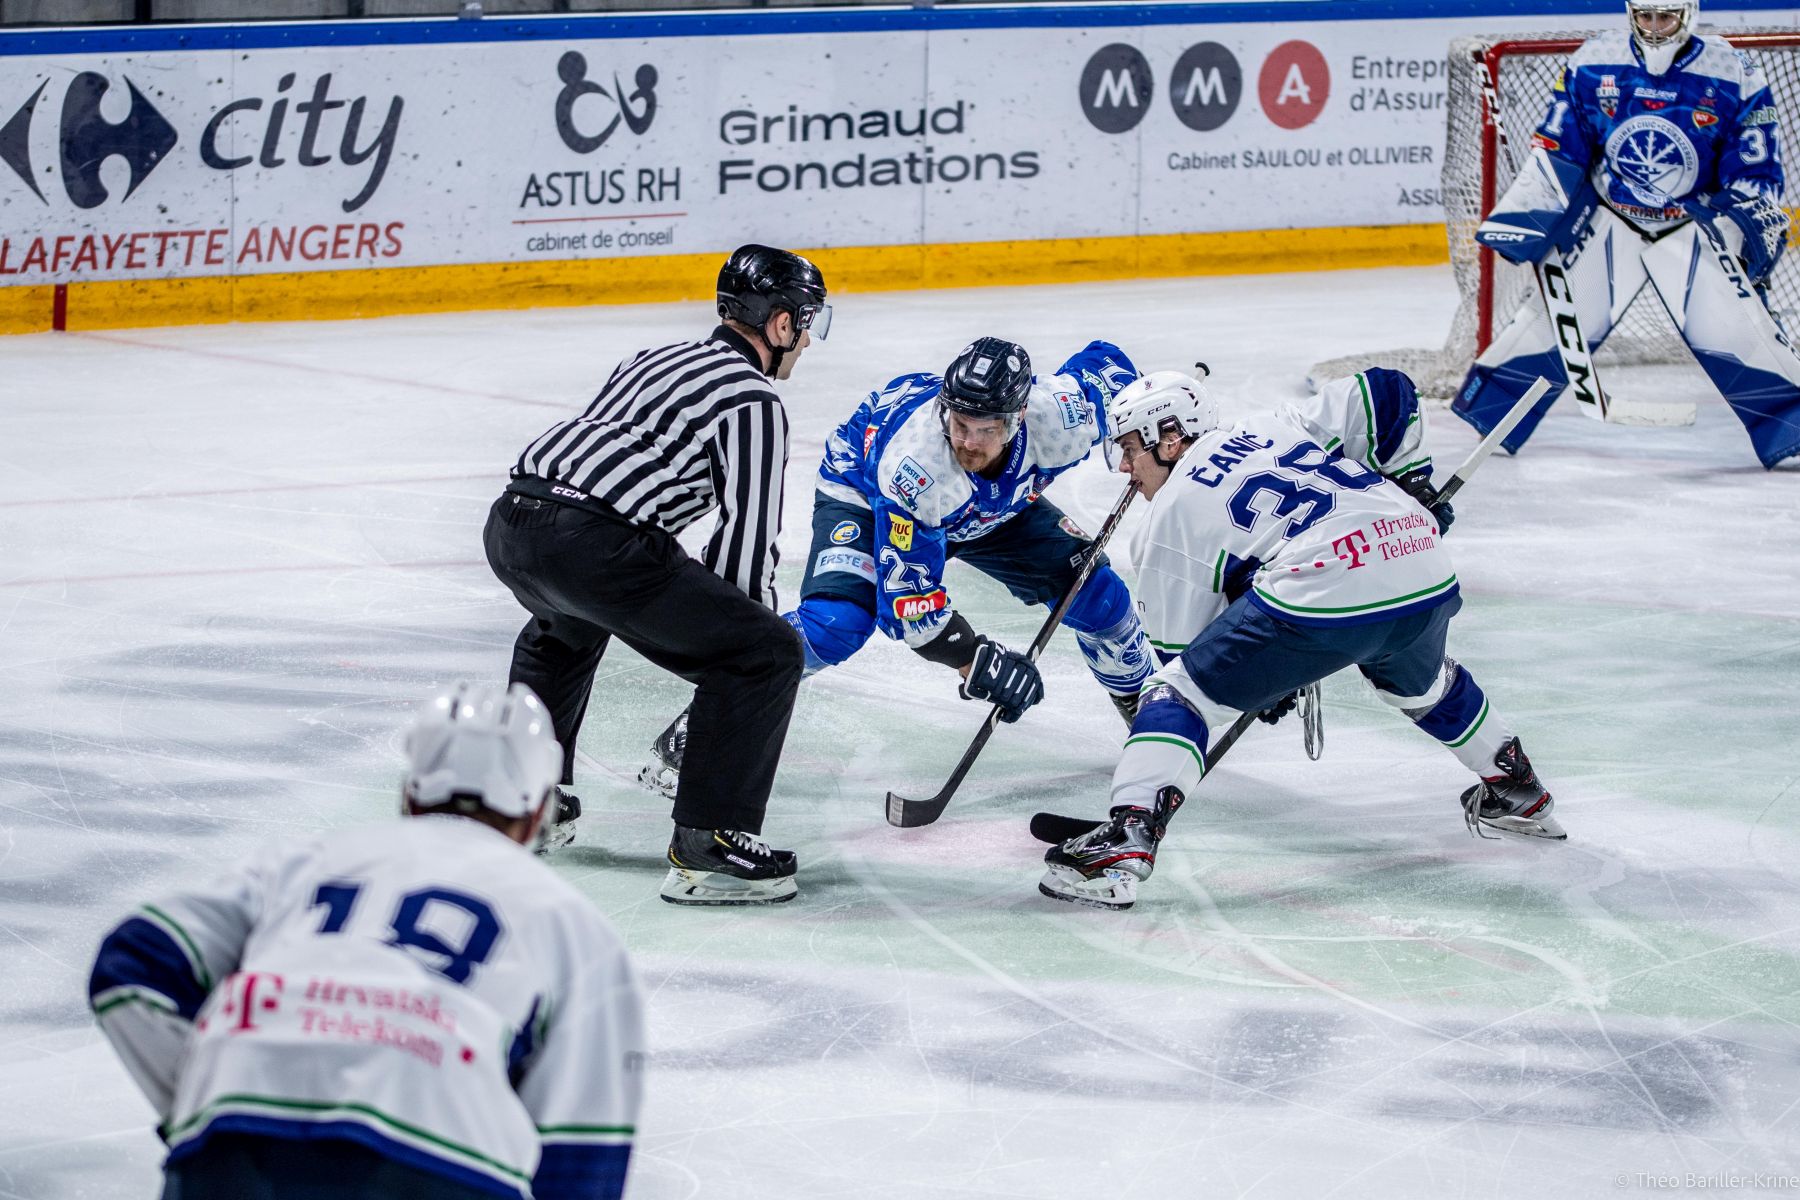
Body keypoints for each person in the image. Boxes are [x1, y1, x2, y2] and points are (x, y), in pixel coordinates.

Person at [87, 682, 645, 1200]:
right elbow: (584, 1144)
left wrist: (204, 1093)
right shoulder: (572, 925)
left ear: (410, 794)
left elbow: (136, 959)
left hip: (235, 1144)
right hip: (440, 1164)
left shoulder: (304, 863)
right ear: (538, 811)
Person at [1039, 368, 1566, 911]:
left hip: (1327, 585)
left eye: (1129, 449)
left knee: (1176, 696)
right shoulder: (1275, 424)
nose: (1124, 467)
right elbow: (1386, 391)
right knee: (1423, 685)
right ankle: (1518, 789)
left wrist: (1265, 680)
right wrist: (1409, 479)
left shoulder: (1168, 521)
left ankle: (1126, 840)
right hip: (1421, 558)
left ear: (1169, 437)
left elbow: (1186, 660)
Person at [637, 336, 1153, 799]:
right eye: (959, 424)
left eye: (986, 430)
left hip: (994, 510)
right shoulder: (918, 467)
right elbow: (910, 608)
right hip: (864, 493)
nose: (969, 442)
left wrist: (1164, 438)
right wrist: (975, 660)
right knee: (836, 624)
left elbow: (1113, 368)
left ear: (1017, 418)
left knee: (1098, 593)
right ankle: (705, 727)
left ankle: (1151, 716)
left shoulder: (1063, 416)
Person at [486, 244, 828, 905]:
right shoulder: (753, 398)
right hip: (590, 544)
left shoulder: (653, 358)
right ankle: (710, 845)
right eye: (806, 323)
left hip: (512, 523)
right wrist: (745, 639)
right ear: (779, 325)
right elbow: (746, 542)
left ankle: (523, 800)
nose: (809, 340)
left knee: (561, 631)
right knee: (767, 653)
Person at [1453, 0, 1800, 468]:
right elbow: (1559, 147)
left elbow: (1755, 163)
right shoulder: (1594, 60)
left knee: (1735, 332)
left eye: (1666, 18)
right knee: (1555, 322)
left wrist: (1737, 228)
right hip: (1612, 219)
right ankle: (1493, 412)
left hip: (1691, 224)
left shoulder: (1733, 69)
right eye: (1645, 17)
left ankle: (1791, 427)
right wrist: (1527, 218)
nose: (1655, 29)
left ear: (1689, 14)